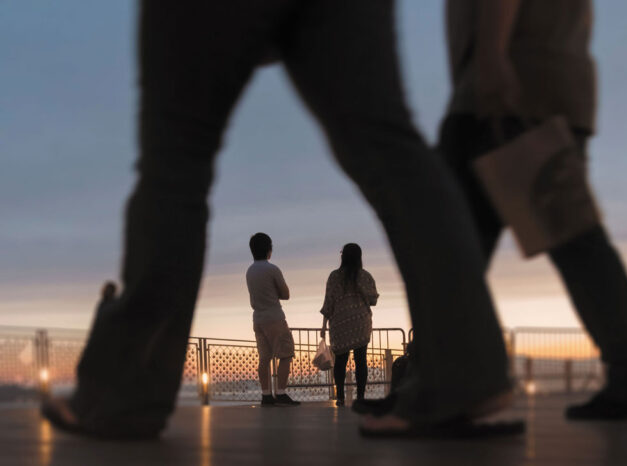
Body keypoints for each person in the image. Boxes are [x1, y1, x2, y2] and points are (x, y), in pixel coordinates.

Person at [42, 0, 520, 439]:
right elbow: (352, 294)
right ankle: (468, 371)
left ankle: (124, 392)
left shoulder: (299, 274)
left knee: (175, 163)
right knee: (390, 148)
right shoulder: (330, 275)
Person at [438, 0, 627, 420]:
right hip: (538, 80)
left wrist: (492, 57)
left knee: (452, 249)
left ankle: (436, 382)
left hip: (507, 89)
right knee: (551, 239)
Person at [319, 243, 378, 407]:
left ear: (342, 256)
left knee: (340, 361)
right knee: (361, 360)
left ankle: (340, 397)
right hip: (360, 322)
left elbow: (328, 303)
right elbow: (373, 300)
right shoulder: (365, 276)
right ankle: (360, 397)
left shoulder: (334, 277)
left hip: (340, 323)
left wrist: (323, 325)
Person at [246, 233, 299, 407]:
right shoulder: (272, 269)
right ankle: (281, 393)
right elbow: (286, 294)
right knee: (286, 354)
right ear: (269, 250)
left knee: (264, 358)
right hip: (275, 317)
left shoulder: (250, 271)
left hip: (258, 318)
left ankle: (266, 395)